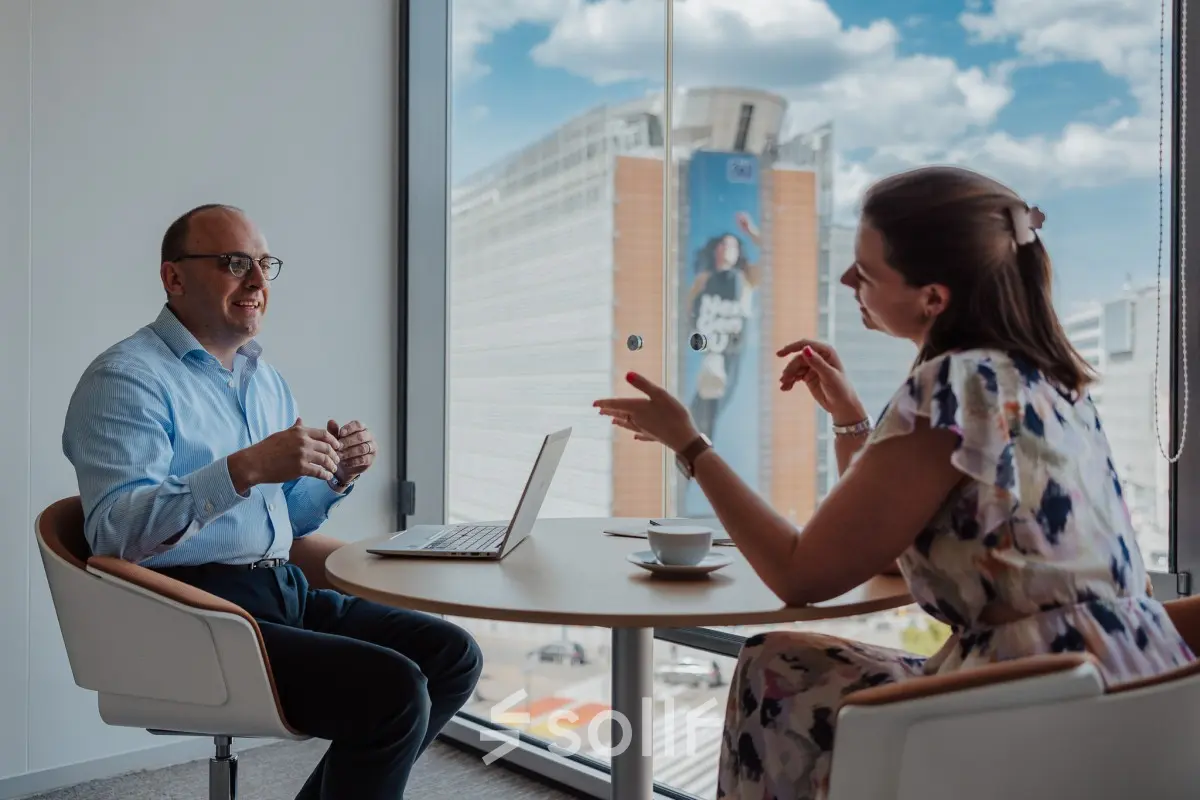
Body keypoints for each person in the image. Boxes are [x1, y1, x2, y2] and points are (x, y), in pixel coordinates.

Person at [594, 166, 1196, 800]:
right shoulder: (1049, 381)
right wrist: (852, 417)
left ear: (932, 299)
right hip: (1141, 688)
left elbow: (802, 575)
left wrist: (688, 443)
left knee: (773, 664)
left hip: (1027, 704)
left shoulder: (951, 385)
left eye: (867, 272)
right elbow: (888, 543)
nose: (848, 281)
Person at [62, 203, 483, 799]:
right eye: (235, 263)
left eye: (264, 264)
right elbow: (115, 536)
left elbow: (282, 519)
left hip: (278, 590)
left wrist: (334, 477)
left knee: (450, 654)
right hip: (189, 617)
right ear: (174, 277)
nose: (257, 282)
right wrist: (244, 468)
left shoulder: (264, 379)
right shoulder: (125, 379)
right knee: (391, 691)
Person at [684, 213, 761, 442]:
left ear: (739, 253)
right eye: (724, 244)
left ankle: (696, 452)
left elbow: (774, 254)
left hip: (730, 355)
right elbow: (687, 314)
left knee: (710, 410)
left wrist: (751, 232)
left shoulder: (746, 279)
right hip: (710, 351)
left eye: (734, 245)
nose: (728, 248)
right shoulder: (704, 280)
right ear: (716, 250)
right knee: (699, 410)